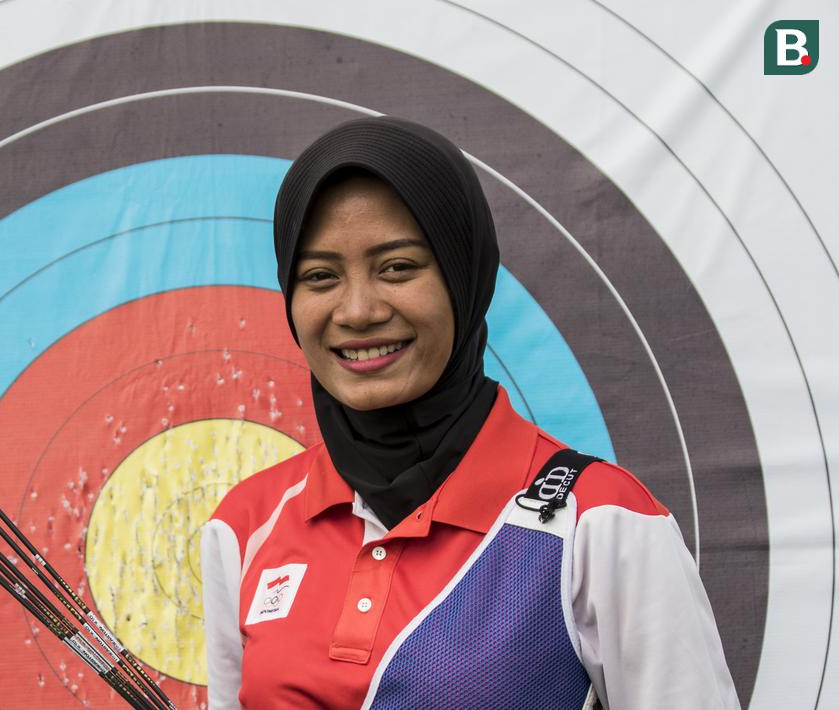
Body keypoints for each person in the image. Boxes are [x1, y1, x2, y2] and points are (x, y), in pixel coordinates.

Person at [199, 116, 740, 709]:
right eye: (320, 276)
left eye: (398, 267)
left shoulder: (601, 522)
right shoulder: (245, 526)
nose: (356, 311)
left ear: (465, 275)